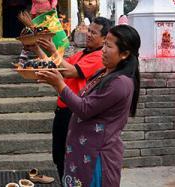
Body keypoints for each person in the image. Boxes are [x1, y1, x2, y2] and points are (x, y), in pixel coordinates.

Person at [36, 24, 141, 187]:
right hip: (81, 150)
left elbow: (84, 109)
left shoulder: (120, 83)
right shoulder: (103, 72)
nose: (103, 50)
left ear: (125, 54)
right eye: (104, 44)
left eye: (109, 46)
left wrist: (59, 84)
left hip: (96, 156)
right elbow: (64, 73)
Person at [31, 17, 111, 181]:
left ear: (104, 39)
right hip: (62, 110)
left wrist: (53, 49)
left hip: (74, 112)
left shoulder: (98, 58)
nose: (88, 34)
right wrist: (37, 49)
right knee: (60, 157)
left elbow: (69, 71)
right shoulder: (82, 53)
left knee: (71, 159)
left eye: (93, 33)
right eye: (89, 30)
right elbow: (57, 67)